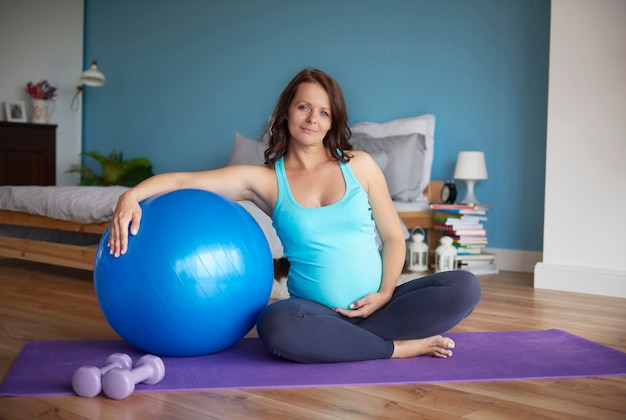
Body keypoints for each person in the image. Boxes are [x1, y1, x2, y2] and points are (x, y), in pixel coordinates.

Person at [108, 68, 482, 363]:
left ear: (333, 121)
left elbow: (393, 237)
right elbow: (184, 179)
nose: (312, 118)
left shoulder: (361, 166)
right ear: (286, 111)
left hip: (380, 306)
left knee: (465, 286)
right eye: (304, 107)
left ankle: (353, 343)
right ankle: (398, 348)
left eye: (324, 112)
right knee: (275, 324)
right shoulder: (266, 181)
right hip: (315, 313)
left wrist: (384, 294)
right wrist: (132, 195)